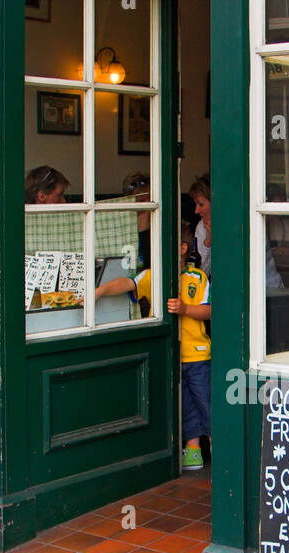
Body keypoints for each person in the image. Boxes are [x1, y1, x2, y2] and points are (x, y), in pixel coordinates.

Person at [96, 239, 211, 471]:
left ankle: (219, 446)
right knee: (185, 404)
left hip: (197, 354)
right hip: (173, 353)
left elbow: (209, 310)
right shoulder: (152, 275)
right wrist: (99, 291)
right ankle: (194, 450)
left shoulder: (197, 277)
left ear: (182, 247)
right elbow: (126, 284)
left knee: (206, 402)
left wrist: (185, 309)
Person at [189, 174, 212, 277]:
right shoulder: (201, 227)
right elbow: (202, 274)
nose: (196, 210)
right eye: (195, 204)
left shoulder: (236, 225)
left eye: (201, 204)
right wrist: (208, 242)